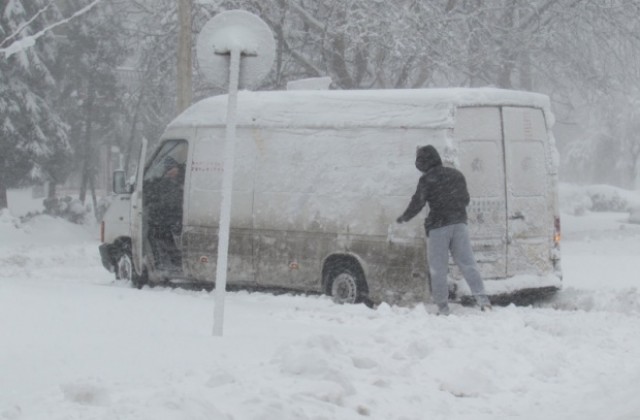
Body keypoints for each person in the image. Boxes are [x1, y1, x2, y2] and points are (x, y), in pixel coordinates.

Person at [396, 145, 491, 315]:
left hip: (439, 227)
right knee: (468, 264)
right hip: (460, 225)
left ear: (425, 162)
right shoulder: (457, 175)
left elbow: (417, 203)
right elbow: (466, 199)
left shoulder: (427, 180)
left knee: (438, 268)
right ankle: (483, 301)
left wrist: (404, 217)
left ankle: (443, 307)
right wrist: (454, 210)